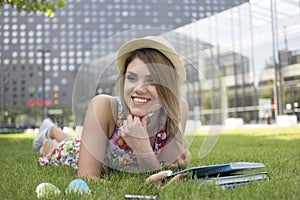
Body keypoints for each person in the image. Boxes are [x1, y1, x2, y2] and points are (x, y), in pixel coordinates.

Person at [32, 36, 191, 183]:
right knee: (57, 147)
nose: (139, 89)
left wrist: (142, 147)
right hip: (74, 153)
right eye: (132, 78)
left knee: (78, 140)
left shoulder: (177, 109)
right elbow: (87, 178)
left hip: (97, 144)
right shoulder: (103, 106)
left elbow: (160, 174)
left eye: (151, 80)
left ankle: (51, 129)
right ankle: (49, 132)